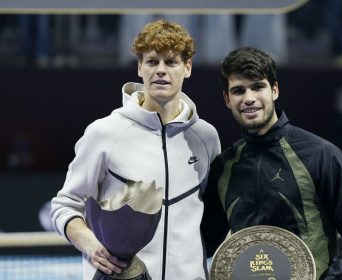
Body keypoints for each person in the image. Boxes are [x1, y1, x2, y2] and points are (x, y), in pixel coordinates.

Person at [50, 19, 221, 280]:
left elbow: (211, 214)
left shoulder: (206, 137)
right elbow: (65, 205)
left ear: (187, 68)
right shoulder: (104, 133)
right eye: (152, 62)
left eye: (171, 62)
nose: (161, 71)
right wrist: (91, 246)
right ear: (140, 67)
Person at [201, 47, 342, 279]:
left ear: (274, 90)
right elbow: (204, 242)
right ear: (227, 99)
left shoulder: (320, 154)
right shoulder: (224, 167)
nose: (249, 98)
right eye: (238, 91)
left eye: (257, 87)